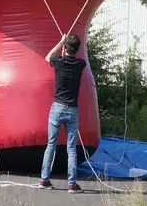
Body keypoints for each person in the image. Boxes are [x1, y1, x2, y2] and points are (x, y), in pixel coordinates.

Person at [39, 33, 86, 193]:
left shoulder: (58, 61)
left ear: (65, 48)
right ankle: (72, 184)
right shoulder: (81, 64)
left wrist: (60, 42)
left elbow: (48, 57)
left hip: (57, 108)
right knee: (71, 149)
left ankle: (44, 180)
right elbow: (67, 57)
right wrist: (65, 45)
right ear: (77, 50)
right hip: (72, 109)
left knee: (51, 145)